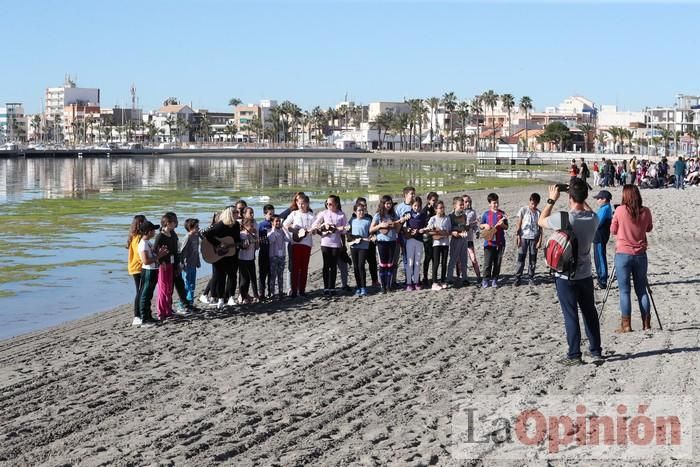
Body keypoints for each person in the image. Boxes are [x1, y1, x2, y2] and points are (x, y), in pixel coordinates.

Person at [538, 179, 602, 365]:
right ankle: (596, 350)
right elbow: (588, 211)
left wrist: (551, 199)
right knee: (590, 313)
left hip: (565, 275)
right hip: (585, 274)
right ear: (585, 196)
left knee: (570, 315)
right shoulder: (593, 219)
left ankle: (574, 354)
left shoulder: (565, 218)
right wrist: (579, 195)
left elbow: (541, 221)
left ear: (570, 197)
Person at [611, 184, 654, 332]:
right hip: (640, 254)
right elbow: (649, 228)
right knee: (641, 290)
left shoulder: (620, 210)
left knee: (624, 291)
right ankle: (646, 323)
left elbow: (613, 230)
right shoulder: (646, 211)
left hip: (623, 253)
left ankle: (626, 325)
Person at [204, 206, 241, 309]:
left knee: (233, 275)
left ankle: (231, 297)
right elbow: (206, 234)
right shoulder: (220, 225)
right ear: (230, 214)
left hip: (232, 253)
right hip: (219, 255)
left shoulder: (237, 225)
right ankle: (220, 298)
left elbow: (237, 240)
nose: (238, 214)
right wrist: (218, 244)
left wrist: (242, 244)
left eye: (237, 212)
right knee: (221, 276)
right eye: (235, 212)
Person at [312, 195, 347, 296]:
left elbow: (346, 229)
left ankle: (332, 287)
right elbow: (315, 225)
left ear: (336, 204)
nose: (328, 205)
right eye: (327, 204)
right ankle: (326, 287)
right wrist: (323, 228)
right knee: (326, 266)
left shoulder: (341, 215)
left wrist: (337, 228)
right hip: (325, 243)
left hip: (336, 244)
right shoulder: (324, 213)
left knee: (333, 266)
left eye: (330, 204)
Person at [370, 195, 404, 294]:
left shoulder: (394, 216)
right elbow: (371, 229)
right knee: (382, 265)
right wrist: (380, 225)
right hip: (381, 242)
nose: (388, 205)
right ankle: (383, 286)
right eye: (387, 203)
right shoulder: (378, 216)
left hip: (392, 242)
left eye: (390, 203)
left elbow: (397, 230)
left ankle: (388, 286)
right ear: (383, 204)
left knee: (390, 264)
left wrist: (400, 223)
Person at [137, 221, 168, 328]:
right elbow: (146, 261)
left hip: (153, 270)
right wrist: (159, 255)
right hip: (148, 271)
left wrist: (159, 255)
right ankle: (144, 319)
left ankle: (148, 316)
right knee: (145, 295)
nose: (154, 232)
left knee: (149, 295)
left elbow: (153, 256)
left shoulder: (148, 242)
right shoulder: (143, 244)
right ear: (148, 231)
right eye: (153, 230)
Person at [283, 195, 315, 297]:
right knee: (295, 268)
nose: (301, 205)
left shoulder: (311, 216)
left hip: (307, 244)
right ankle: (294, 290)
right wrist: (294, 230)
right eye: (299, 203)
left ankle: (302, 290)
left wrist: (312, 231)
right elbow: (285, 224)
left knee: (304, 268)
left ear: (307, 204)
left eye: (303, 203)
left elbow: (315, 230)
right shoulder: (294, 213)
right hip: (296, 243)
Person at [154, 212, 181, 320]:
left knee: (169, 288)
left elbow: (176, 250)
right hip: (163, 265)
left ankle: (168, 310)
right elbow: (155, 250)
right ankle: (161, 312)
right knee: (163, 289)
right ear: (167, 223)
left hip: (172, 263)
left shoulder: (173, 234)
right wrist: (161, 261)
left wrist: (177, 264)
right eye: (174, 222)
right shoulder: (160, 236)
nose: (175, 224)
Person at [480, 193, 508, 288]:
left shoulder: (502, 214)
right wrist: (485, 225)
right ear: (489, 204)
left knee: (497, 262)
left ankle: (495, 279)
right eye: (494, 203)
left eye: (497, 202)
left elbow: (506, 227)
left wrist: (502, 225)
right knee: (487, 263)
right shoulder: (486, 214)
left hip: (500, 242)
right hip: (489, 242)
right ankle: (485, 279)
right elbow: (481, 225)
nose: (496, 205)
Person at [513, 193, 542, 286]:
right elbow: (519, 223)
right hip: (523, 237)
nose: (533, 205)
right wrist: (517, 237)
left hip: (534, 238)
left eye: (535, 204)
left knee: (533, 259)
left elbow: (540, 228)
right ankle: (518, 277)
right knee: (521, 258)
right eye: (532, 203)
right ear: (529, 201)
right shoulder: (523, 210)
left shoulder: (538, 213)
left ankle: (531, 277)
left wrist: (540, 240)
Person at [353, 197, 379, 287]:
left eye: (365, 206)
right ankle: (360, 284)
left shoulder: (369, 217)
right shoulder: (353, 218)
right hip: (358, 245)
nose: (364, 208)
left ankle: (374, 280)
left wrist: (373, 235)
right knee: (359, 265)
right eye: (362, 206)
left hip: (370, 243)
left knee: (372, 262)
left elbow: (373, 229)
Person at [404, 196, 428, 290]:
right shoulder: (407, 214)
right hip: (410, 240)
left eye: (418, 206)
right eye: (415, 206)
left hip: (419, 241)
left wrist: (420, 230)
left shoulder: (423, 216)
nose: (416, 207)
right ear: (411, 205)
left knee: (417, 262)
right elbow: (403, 227)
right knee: (410, 262)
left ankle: (416, 282)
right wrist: (408, 229)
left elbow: (427, 227)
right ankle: (409, 283)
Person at [427, 200, 451, 290]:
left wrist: (444, 233)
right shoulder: (433, 218)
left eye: (443, 207)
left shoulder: (447, 218)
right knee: (436, 263)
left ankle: (443, 281)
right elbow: (429, 230)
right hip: (436, 243)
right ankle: (434, 282)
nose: (442, 209)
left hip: (445, 243)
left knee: (444, 263)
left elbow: (449, 231)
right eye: (440, 208)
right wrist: (435, 231)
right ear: (436, 209)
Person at [348, 203, 372, 297]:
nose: (361, 212)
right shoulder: (352, 221)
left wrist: (369, 238)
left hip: (364, 247)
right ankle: (358, 287)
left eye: (362, 210)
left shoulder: (368, 221)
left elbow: (371, 232)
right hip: (354, 246)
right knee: (355, 267)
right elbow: (348, 233)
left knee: (361, 266)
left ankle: (363, 288)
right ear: (355, 212)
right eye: (359, 210)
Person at [127, 214, 146, 325]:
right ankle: (137, 315)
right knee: (139, 291)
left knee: (141, 290)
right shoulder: (137, 237)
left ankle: (141, 313)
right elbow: (139, 255)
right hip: (137, 268)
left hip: (136, 266)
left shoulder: (133, 236)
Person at [394, 187, 416, 286]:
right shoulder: (399, 207)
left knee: (414, 258)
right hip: (403, 236)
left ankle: (414, 278)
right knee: (406, 258)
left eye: (414, 194)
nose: (413, 196)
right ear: (406, 195)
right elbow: (396, 224)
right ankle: (408, 279)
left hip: (414, 235)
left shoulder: (415, 206)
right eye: (412, 194)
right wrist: (403, 228)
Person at [592, 190, 613, 290]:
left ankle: (602, 280)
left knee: (600, 258)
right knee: (598, 258)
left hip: (600, 237)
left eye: (599, 199)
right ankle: (601, 278)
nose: (597, 201)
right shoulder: (604, 208)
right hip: (598, 237)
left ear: (604, 199)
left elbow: (597, 223)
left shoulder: (605, 208)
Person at [447, 197, 469, 287]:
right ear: (454, 206)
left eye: (463, 205)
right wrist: (453, 232)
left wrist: (468, 227)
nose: (462, 206)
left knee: (464, 259)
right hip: (455, 240)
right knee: (453, 259)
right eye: (460, 205)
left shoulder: (464, 215)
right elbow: (448, 229)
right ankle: (449, 278)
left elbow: (465, 226)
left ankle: (465, 278)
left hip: (464, 239)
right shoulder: (451, 216)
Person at [238, 217, 260, 304]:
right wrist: (248, 239)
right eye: (250, 226)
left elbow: (257, 247)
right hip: (242, 259)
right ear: (245, 226)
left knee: (253, 278)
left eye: (252, 225)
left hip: (251, 259)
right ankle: (243, 296)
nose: (252, 227)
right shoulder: (241, 234)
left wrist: (256, 239)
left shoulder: (253, 234)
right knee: (244, 279)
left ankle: (256, 296)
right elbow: (244, 247)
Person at [266, 216, 288, 299]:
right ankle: (272, 293)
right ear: (272, 222)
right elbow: (272, 239)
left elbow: (289, 239)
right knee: (273, 275)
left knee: (281, 275)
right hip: (273, 256)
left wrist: (284, 228)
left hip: (282, 256)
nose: (278, 223)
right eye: (276, 221)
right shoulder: (269, 231)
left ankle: (281, 292)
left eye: (279, 221)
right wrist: (273, 229)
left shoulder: (282, 231)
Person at [180, 218, 201, 304]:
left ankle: (190, 303)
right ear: (190, 227)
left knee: (192, 285)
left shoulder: (196, 236)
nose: (198, 228)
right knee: (187, 285)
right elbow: (182, 252)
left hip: (193, 264)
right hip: (187, 265)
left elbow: (196, 251)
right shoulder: (187, 237)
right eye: (196, 227)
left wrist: (198, 261)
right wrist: (181, 264)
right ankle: (183, 304)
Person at [462, 194, 482, 283]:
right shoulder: (458, 212)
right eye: (466, 201)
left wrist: (477, 231)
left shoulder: (472, 213)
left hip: (469, 240)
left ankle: (479, 276)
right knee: (461, 260)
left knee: (473, 258)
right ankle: (463, 277)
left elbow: (474, 226)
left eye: (469, 201)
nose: (468, 203)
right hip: (460, 240)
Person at [421, 192, 439, 287]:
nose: (435, 202)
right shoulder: (425, 211)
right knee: (428, 256)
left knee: (434, 257)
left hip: (435, 236)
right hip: (427, 237)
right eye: (433, 200)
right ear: (428, 200)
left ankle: (433, 277)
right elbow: (424, 223)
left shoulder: (435, 209)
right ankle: (425, 277)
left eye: (436, 200)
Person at [258, 204, 275, 299]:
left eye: (273, 213)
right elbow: (257, 238)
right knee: (262, 273)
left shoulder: (276, 224)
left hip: (273, 252)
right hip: (263, 252)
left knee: (271, 273)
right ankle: (261, 293)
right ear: (265, 214)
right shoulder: (261, 225)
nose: (272, 216)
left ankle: (270, 291)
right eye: (270, 214)